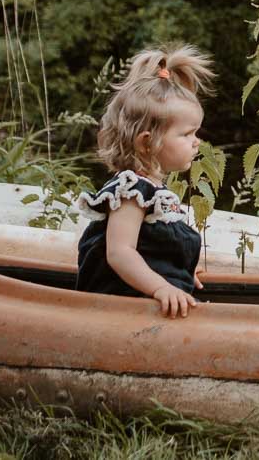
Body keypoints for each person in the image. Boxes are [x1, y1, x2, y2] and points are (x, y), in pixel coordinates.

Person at [75, 44, 214, 318]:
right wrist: (162, 287)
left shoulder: (156, 192)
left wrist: (181, 268)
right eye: (187, 134)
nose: (197, 141)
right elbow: (120, 252)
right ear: (147, 143)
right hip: (123, 307)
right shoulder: (130, 190)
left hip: (149, 305)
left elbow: (152, 248)